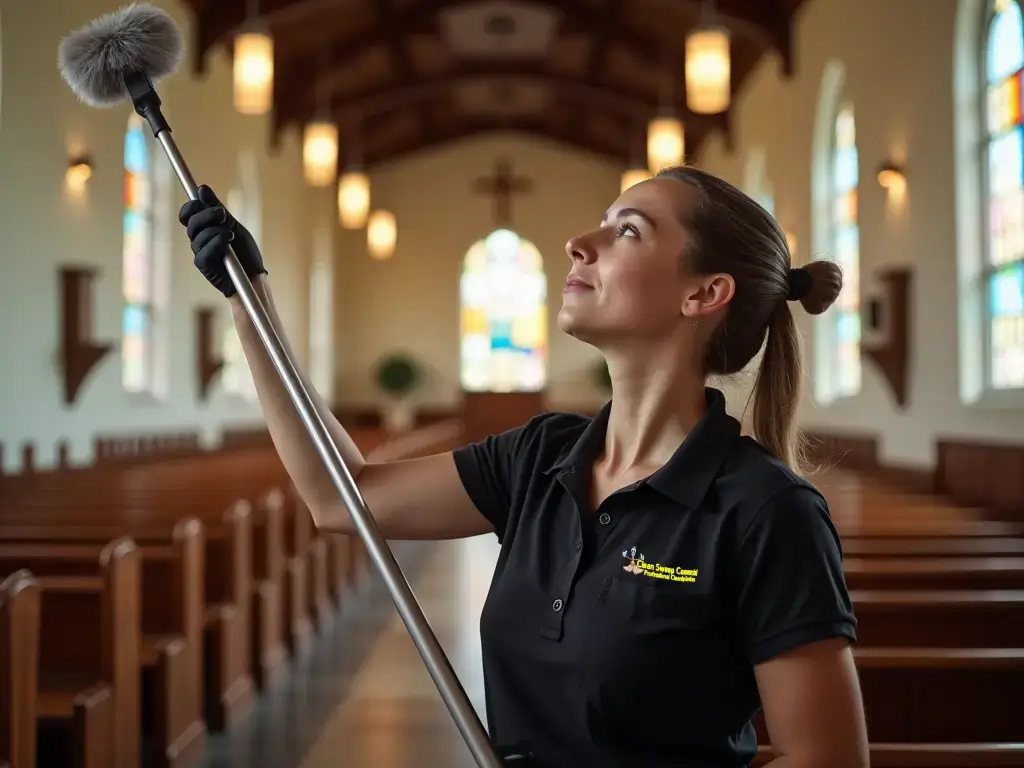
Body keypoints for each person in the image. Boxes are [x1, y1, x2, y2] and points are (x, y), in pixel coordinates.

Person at [179, 164, 869, 768]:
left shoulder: (767, 511)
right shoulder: (542, 455)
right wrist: (252, 308)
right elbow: (342, 498)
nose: (580, 242)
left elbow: (827, 758)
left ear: (703, 294)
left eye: (627, 230)